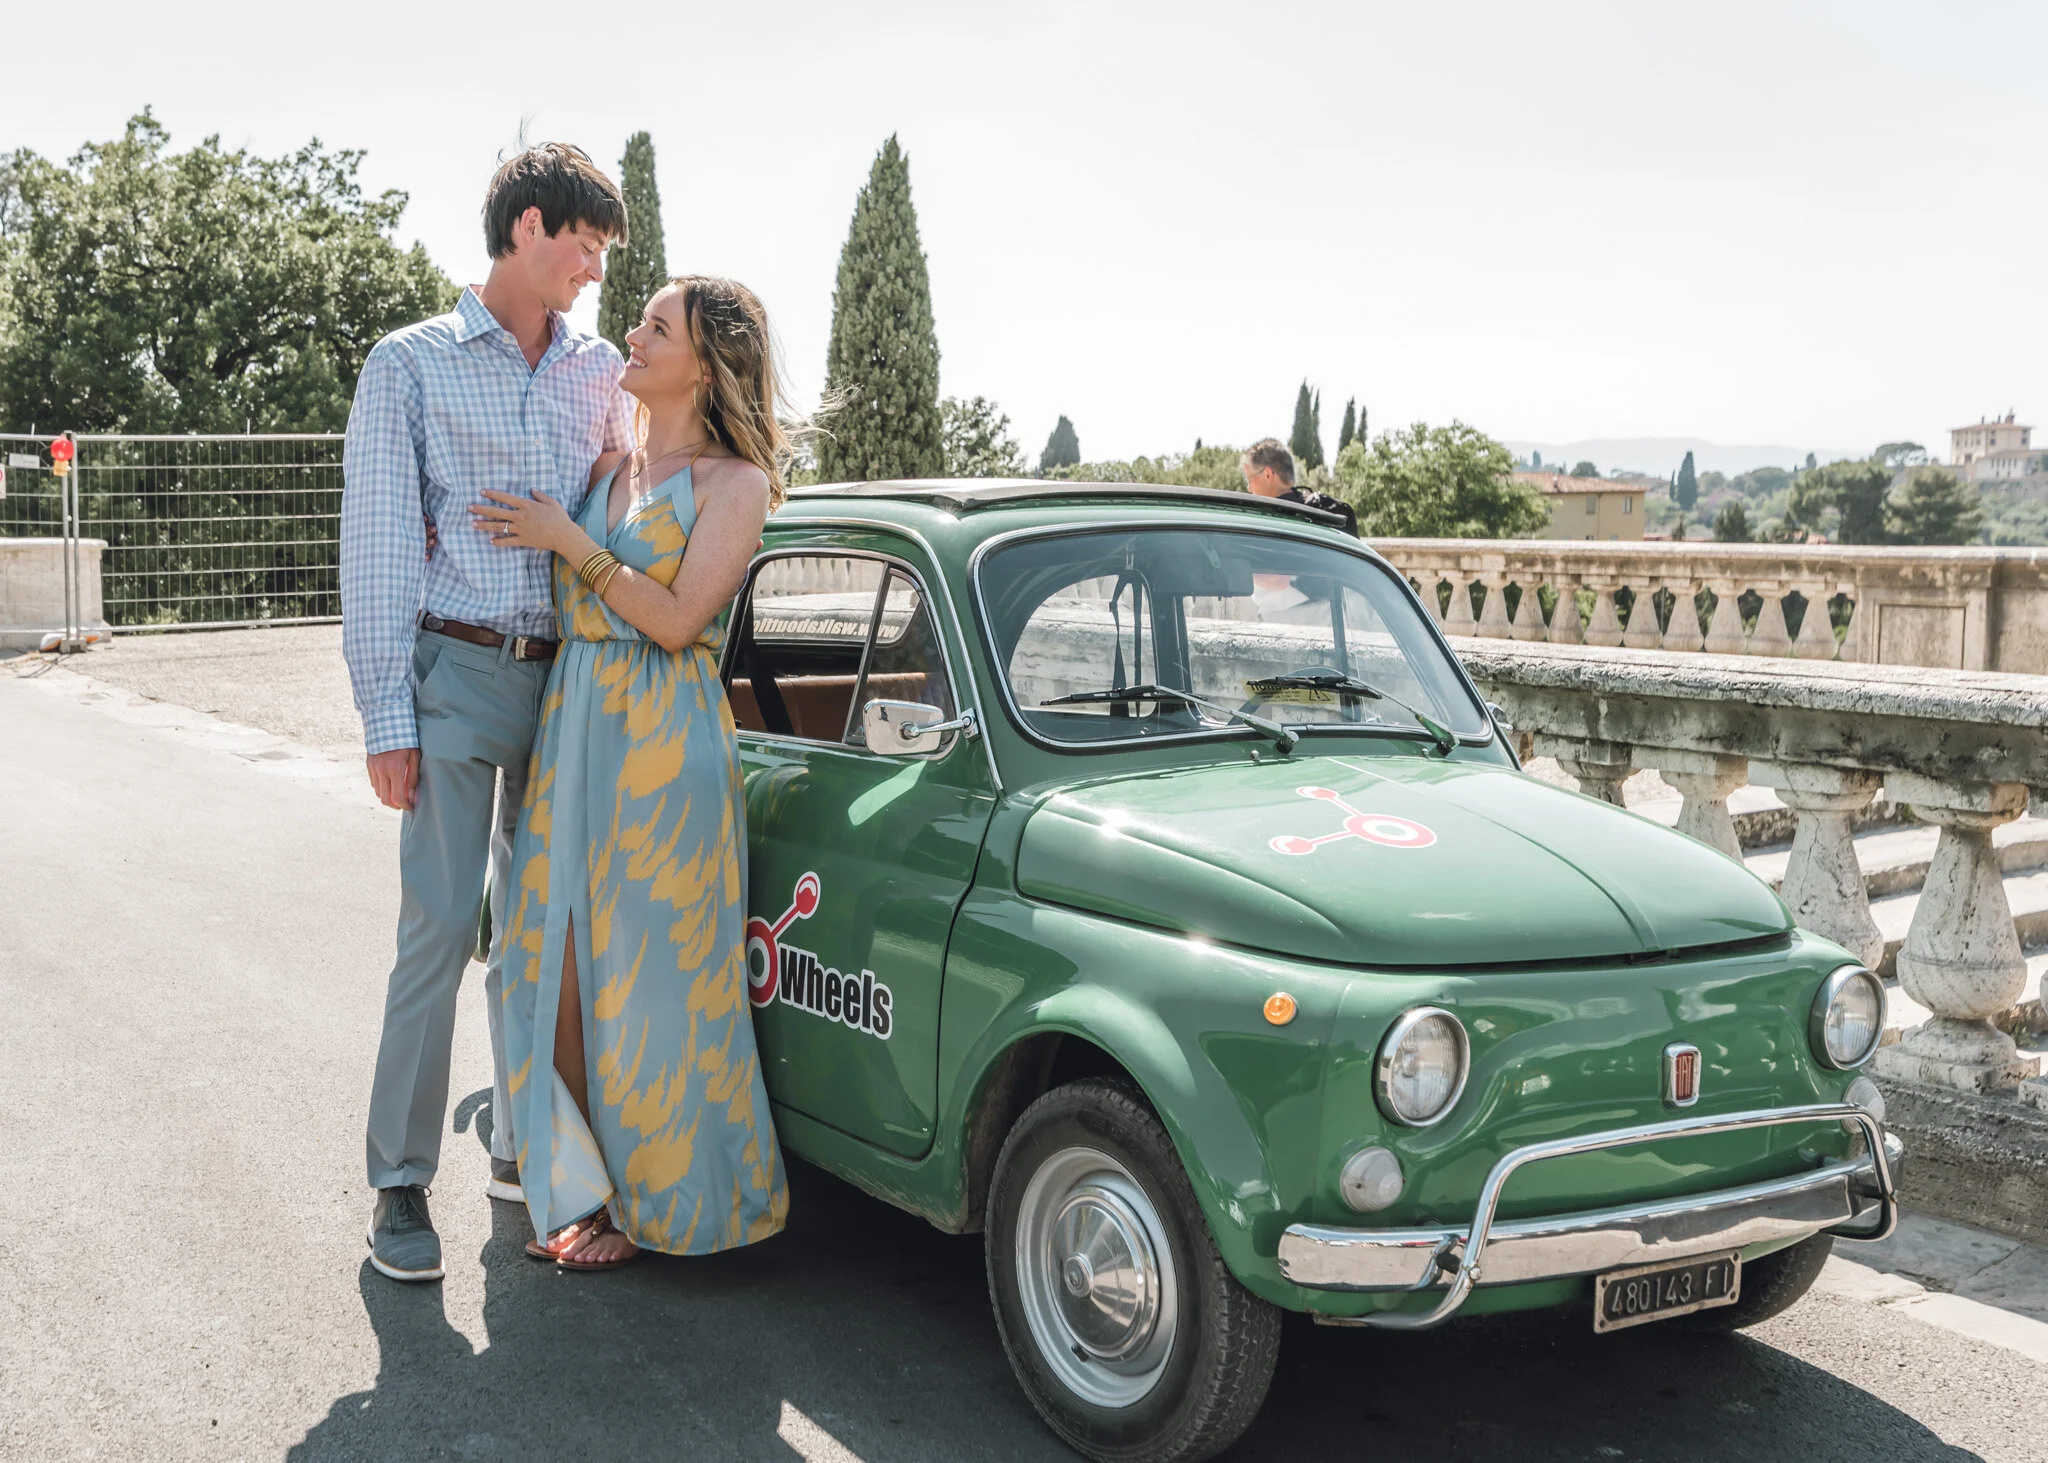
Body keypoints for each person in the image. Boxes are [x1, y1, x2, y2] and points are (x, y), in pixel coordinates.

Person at [341, 143, 632, 1283]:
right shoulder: (406, 364)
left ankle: (524, 1151)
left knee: (538, 939)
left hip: (567, 687)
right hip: (453, 673)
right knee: (439, 930)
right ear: (525, 226)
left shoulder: (599, 369)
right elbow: (372, 543)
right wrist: (384, 716)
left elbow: (617, 501)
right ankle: (400, 1182)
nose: (594, 272)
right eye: (584, 245)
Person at [469, 276, 796, 1270]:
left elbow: (677, 619)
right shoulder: (608, 461)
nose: (633, 333)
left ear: (707, 361)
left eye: (658, 327)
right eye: (640, 319)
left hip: (666, 746)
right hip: (576, 728)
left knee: (654, 982)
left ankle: (664, 1205)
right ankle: (581, 1188)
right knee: (548, 962)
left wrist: (569, 540)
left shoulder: (735, 483)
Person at [1240, 437, 1359, 536]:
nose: (1249, 488)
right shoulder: (1331, 512)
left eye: (1249, 479)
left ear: (1267, 475)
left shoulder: (1261, 524)